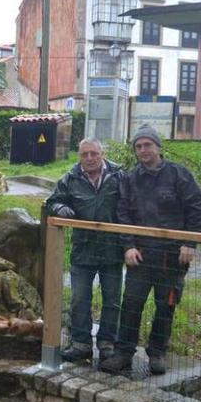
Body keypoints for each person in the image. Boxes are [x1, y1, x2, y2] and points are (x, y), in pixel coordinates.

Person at [100, 124, 201, 375]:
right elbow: (123, 214)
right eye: (138, 146)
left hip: (172, 259)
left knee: (165, 306)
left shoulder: (179, 175)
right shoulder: (130, 179)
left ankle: (157, 353)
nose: (143, 150)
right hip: (140, 256)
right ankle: (123, 353)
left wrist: (190, 242)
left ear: (158, 147)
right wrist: (128, 245)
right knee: (130, 305)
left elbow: (198, 208)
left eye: (147, 144)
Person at [45, 138, 124, 363]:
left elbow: (130, 205)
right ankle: (81, 344)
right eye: (84, 154)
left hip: (112, 250)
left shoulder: (119, 176)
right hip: (83, 250)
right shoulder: (70, 178)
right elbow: (52, 201)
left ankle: (107, 344)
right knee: (80, 298)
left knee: (112, 300)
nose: (89, 158)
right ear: (79, 156)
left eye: (93, 154)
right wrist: (60, 207)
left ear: (102, 153)